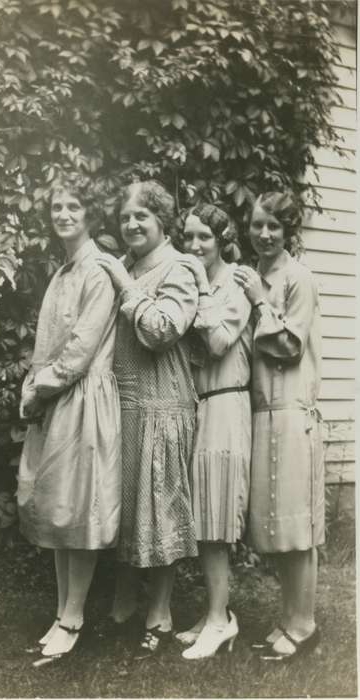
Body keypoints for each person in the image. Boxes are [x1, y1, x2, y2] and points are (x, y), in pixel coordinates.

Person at [96, 180, 205, 657]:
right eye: (125, 217)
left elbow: (163, 330)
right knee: (124, 510)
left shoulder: (182, 266)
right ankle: (122, 606)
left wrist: (126, 286)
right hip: (121, 404)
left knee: (160, 511)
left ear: (163, 221)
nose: (132, 224)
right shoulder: (122, 265)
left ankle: (160, 613)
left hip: (164, 405)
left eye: (142, 216)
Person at [17, 172, 121, 662]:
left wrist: (41, 389)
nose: (63, 214)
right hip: (56, 399)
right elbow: (46, 345)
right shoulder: (62, 273)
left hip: (83, 400)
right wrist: (30, 388)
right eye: (57, 206)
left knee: (77, 510)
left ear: (89, 215)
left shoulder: (98, 271)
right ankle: (62, 611)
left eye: (73, 207)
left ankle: (73, 617)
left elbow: (79, 350)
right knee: (57, 508)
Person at [234, 191, 324, 661]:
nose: (264, 234)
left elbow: (289, 346)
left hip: (292, 411)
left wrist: (256, 301)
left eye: (273, 226)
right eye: (256, 225)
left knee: (298, 526)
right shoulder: (257, 276)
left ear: (289, 230)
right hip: (262, 411)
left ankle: (304, 623)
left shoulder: (298, 278)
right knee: (277, 525)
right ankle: (288, 616)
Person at [175, 204, 252, 659]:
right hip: (200, 405)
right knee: (204, 517)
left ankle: (222, 621)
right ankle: (213, 614)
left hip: (226, 402)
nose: (195, 245)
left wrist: (201, 288)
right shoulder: (194, 282)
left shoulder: (238, 281)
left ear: (222, 239)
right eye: (188, 237)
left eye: (204, 236)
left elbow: (221, 342)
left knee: (217, 518)